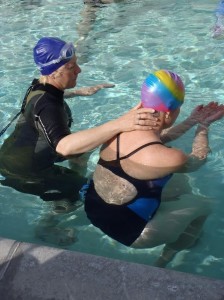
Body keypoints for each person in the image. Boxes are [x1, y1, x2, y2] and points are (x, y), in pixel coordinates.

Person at [84, 69, 224, 267]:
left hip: (94, 210)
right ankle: (166, 260)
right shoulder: (172, 157)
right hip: (134, 233)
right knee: (205, 204)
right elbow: (198, 159)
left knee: (177, 184)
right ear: (168, 113)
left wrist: (190, 121)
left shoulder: (116, 129)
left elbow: (155, 138)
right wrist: (203, 126)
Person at [0, 36, 157, 211]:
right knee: (101, 192)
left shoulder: (39, 86)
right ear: (53, 73)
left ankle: (72, 183)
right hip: (25, 172)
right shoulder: (47, 105)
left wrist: (78, 92)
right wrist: (120, 123)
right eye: (71, 66)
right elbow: (63, 147)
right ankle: (52, 222)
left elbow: (48, 96)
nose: (79, 70)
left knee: (83, 150)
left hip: (17, 154)